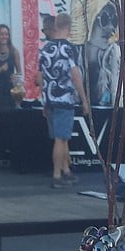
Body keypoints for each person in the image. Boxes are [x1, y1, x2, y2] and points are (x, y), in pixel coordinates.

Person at [38, 13, 90, 189]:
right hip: (65, 99)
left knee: (62, 137)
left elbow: (41, 78)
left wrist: (44, 101)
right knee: (61, 139)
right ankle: (57, 175)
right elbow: (75, 75)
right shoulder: (69, 49)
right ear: (69, 27)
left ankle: (66, 170)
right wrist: (83, 99)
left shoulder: (45, 50)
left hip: (50, 99)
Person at [0, 24, 22, 110]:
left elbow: (19, 72)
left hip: (11, 90)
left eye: (6, 34)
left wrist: (15, 77)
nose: (4, 36)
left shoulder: (14, 52)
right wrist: (0, 70)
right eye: (2, 34)